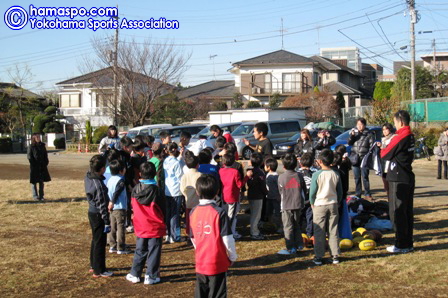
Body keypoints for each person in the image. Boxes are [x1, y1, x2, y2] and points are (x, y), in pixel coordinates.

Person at [189, 174, 237, 298]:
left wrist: (199, 249)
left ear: (197, 192)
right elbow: (227, 238)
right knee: (217, 293)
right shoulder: (219, 212)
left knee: (201, 292)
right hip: (217, 262)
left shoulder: (193, 212)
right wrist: (232, 256)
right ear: (217, 191)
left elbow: (193, 237)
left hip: (201, 261)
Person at [380, 110, 415, 254]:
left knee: (398, 212)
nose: (394, 125)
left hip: (398, 178)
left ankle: (401, 244)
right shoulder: (411, 135)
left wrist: (383, 148)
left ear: (400, 122)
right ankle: (407, 242)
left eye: (395, 122)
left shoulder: (402, 135)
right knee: (407, 211)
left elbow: (385, 154)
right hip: (407, 176)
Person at [126, 162, 166, 285]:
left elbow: (132, 206)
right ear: (154, 174)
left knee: (140, 249)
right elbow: (163, 210)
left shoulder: (135, 190)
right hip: (155, 226)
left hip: (140, 225)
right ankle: (151, 275)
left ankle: (135, 273)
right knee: (154, 251)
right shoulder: (158, 191)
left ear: (140, 174)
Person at [309, 149, 343, 265]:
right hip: (333, 203)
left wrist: (312, 202)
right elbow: (340, 191)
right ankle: (335, 255)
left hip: (320, 204)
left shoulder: (316, 175)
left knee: (319, 231)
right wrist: (337, 201)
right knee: (333, 230)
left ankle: (318, 256)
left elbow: (312, 192)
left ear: (320, 161)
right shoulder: (336, 174)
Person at [85, 155, 113, 278]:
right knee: (100, 242)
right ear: (101, 168)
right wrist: (106, 221)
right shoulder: (99, 185)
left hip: (92, 212)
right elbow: (102, 205)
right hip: (98, 215)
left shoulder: (88, 176)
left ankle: (93, 265)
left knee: (95, 240)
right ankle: (99, 270)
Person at [277, 153, 306, 255]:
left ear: (283, 166)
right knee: (296, 224)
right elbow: (304, 189)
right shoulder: (299, 176)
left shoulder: (281, 177)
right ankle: (299, 244)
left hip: (286, 205)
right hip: (298, 204)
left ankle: (290, 247)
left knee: (288, 226)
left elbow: (280, 191)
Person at [219, 153, 247, 240]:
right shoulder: (235, 172)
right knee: (232, 216)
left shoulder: (220, 171)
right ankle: (231, 233)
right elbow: (239, 185)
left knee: (225, 215)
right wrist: (246, 177)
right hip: (233, 197)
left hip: (223, 196)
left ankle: (224, 231)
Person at [107, 160, 131, 255]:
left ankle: (112, 245)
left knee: (113, 226)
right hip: (119, 207)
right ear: (121, 170)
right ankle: (120, 247)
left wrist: (110, 202)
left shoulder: (110, 179)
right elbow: (117, 192)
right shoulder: (120, 180)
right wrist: (113, 201)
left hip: (111, 207)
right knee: (120, 227)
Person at [347, 118, 375, 201]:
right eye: (358, 124)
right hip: (355, 157)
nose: (359, 126)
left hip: (364, 158)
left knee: (365, 176)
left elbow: (372, 146)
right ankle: (358, 193)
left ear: (364, 125)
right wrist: (352, 136)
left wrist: (369, 156)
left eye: (361, 124)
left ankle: (367, 193)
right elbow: (349, 143)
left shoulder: (369, 134)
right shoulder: (354, 134)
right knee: (356, 177)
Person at [164, 142, 184, 243]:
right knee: (175, 214)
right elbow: (180, 177)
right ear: (175, 150)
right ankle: (175, 236)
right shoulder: (176, 163)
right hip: (176, 190)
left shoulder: (165, 161)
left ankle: (168, 234)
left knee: (168, 213)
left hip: (167, 190)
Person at [180, 151, 202, 240]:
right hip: (198, 201)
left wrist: (186, 195)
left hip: (188, 201)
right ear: (197, 165)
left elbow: (182, 188)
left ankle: (190, 234)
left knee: (189, 219)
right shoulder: (200, 175)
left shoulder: (184, 176)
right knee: (198, 219)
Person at [246, 153, 268, 240]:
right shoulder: (260, 173)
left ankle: (253, 230)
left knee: (253, 214)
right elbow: (262, 185)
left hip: (251, 195)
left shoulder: (249, 171)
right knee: (256, 215)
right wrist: (266, 192)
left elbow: (248, 183)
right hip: (258, 196)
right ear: (262, 162)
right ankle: (254, 232)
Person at [297, 152, 316, 238]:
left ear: (300, 163)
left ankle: (298, 232)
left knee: (299, 217)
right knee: (310, 217)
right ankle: (310, 233)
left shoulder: (297, 172)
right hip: (311, 199)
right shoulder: (315, 172)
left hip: (299, 199)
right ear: (312, 163)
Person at [27, 133, 51, 201]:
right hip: (34, 167)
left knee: (41, 182)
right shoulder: (31, 146)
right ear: (34, 138)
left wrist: (46, 162)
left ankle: (41, 196)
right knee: (34, 182)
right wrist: (33, 164)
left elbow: (45, 155)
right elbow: (29, 157)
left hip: (42, 166)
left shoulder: (42, 146)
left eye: (39, 137)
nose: (38, 138)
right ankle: (35, 196)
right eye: (37, 137)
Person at [377, 123, 396, 196]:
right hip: (383, 163)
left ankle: (392, 200)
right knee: (385, 182)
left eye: (386, 129)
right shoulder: (383, 139)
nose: (384, 131)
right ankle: (389, 199)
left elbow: (390, 148)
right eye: (383, 130)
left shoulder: (394, 138)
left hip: (391, 163)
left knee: (390, 183)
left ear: (390, 129)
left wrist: (382, 146)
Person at [264, 158, 282, 234]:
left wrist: (279, 195)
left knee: (278, 212)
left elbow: (279, 187)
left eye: (265, 166)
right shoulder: (268, 174)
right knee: (269, 212)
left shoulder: (276, 176)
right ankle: (270, 225)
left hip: (275, 198)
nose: (264, 167)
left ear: (269, 167)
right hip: (269, 197)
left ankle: (280, 226)